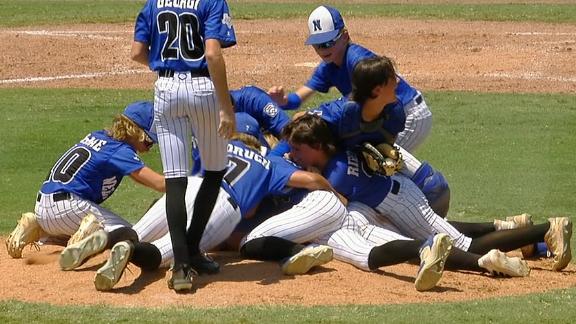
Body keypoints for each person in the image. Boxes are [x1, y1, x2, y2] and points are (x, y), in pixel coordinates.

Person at [282, 113, 572, 273]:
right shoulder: (339, 152)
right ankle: (518, 229)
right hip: (399, 196)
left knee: (466, 246)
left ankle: (547, 229)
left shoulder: (334, 174)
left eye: (298, 148)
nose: (293, 154)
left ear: (318, 147)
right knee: (454, 239)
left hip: (404, 203)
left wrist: (312, 177)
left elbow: (337, 208)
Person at [63, 135, 346, 291]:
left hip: (191, 186)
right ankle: (131, 251)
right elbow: (311, 181)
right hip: (222, 206)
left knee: (139, 229)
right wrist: (338, 198)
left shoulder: (221, 144)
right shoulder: (271, 164)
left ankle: (108, 237)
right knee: (165, 254)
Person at [130, 0, 237, 291]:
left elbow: (137, 52)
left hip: (165, 90)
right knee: (215, 171)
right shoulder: (212, 1)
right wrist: (226, 108)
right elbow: (213, 54)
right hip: (202, 89)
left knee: (175, 180)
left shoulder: (154, 2)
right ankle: (191, 248)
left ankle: (180, 267)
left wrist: (161, 64)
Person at [5, 101, 165, 260]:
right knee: (134, 237)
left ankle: (37, 228)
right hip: (69, 209)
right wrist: (189, 185)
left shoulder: (97, 136)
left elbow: (136, 176)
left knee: (108, 234)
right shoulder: (120, 151)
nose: (150, 145)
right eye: (148, 140)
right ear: (135, 131)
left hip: (43, 208)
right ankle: (89, 232)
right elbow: (159, 184)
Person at [268, 5, 432, 152]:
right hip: (387, 115)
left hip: (408, 112)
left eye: (328, 42)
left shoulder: (358, 60)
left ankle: (425, 182)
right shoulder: (328, 67)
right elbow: (297, 98)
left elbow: (384, 92)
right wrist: (283, 101)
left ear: (345, 36)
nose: (323, 49)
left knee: (382, 165)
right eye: (318, 44)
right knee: (374, 163)